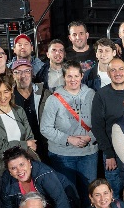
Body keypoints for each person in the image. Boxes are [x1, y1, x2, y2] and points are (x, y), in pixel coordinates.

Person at [39, 61, 99, 198]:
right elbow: (45, 128)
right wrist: (68, 139)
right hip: (62, 156)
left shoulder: (91, 95)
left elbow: (99, 122)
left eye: (76, 76)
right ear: (64, 77)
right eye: (69, 76)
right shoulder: (53, 99)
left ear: (82, 76)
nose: (73, 80)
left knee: (89, 194)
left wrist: (90, 136)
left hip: (88, 154)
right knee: (68, 196)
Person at [0, 147, 75, 208]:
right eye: (13, 168)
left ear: (29, 162)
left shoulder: (44, 174)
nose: (19, 170)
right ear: (9, 171)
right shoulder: (7, 179)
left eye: (22, 164)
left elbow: (60, 199)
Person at [87, 56, 124, 197]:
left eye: (121, 69)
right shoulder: (101, 95)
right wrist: (109, 154)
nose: (117, 73)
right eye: (113, 70)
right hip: (112, 154)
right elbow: (97, 126)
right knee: (114, 194)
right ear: (108, 73)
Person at [0, 73, 36, 161]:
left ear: (11, 91)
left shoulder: (19, 110)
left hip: (24, 161)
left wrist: (29, 145)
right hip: (2, 165)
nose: (2, 97)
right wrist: (26, 144)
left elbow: (29, 137)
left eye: (6, 91)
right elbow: (1, 147)